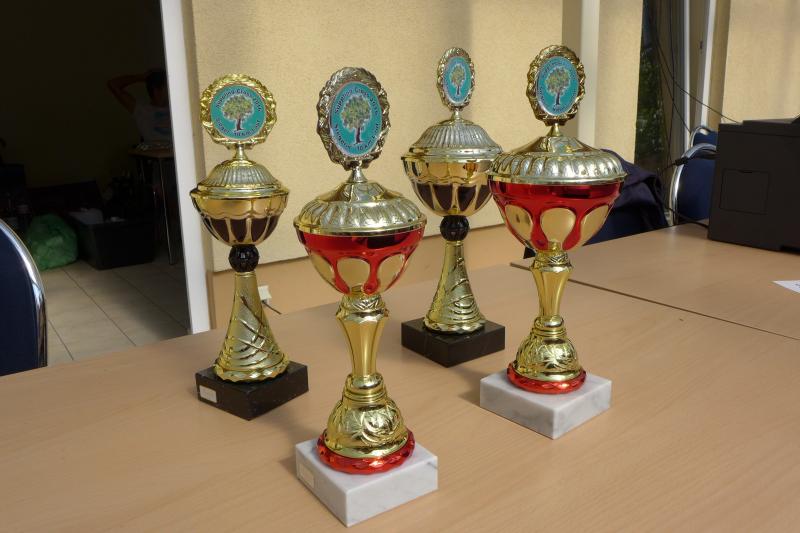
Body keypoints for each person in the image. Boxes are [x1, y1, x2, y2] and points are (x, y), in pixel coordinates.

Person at [108, 70, 172, 144]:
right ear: (156, 90)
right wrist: (141, 77)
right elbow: (113, 84)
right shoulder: (142, 110)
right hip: (155, 150)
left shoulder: (177, 109)